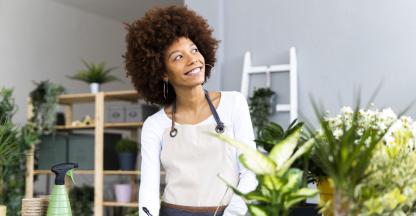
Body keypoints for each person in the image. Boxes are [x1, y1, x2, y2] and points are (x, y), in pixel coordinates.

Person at [124, 6, 257, 216]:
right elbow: (148, 191)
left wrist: (233, 214)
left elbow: (250, 173)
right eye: (178, 57)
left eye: (194, 50)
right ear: (163, 74)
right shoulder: (155, 125)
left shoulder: (234, 104)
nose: (193, 59)